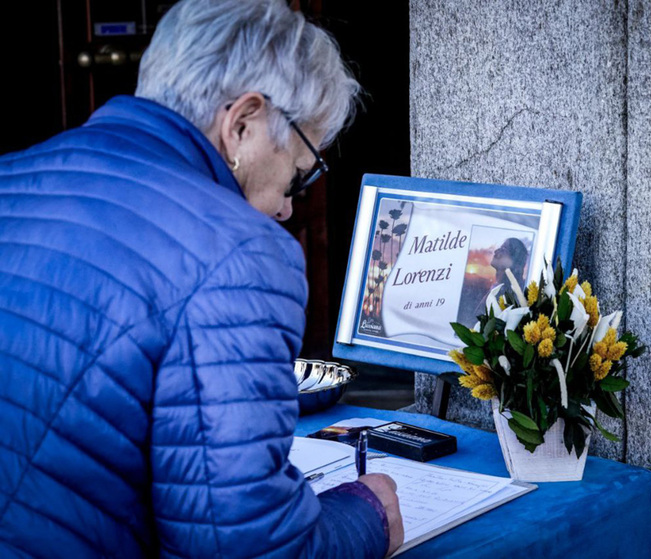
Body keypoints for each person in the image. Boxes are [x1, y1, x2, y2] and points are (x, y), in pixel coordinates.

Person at [0, 1, 403, 557]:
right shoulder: (239, 254)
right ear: (243, 123)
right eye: (300, 175)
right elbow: (242, 546)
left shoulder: (12, 177)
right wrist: (369, 514)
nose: (288, 208)